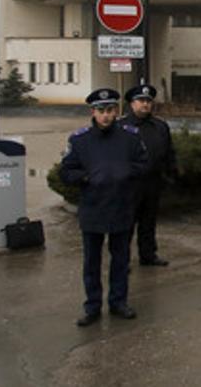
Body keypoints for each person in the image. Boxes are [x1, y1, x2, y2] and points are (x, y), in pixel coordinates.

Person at [59, 88, 149, 327]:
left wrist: (125, 173)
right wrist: (86, 178)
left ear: (116, 111)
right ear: (93, 112)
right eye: (101, 111)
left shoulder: (130, 137)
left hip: (121, 205)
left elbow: (143, 164)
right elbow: (66, 171)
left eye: (110, 110)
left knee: (120, 260)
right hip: (93, 208)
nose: (106, 116)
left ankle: (118, 302)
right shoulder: (79, 140)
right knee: (92, 262)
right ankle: (92, 306)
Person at [119, 84, 176, 267]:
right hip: (129, 184)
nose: (145, 105)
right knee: (126, 225)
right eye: (141, 101)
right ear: (132, 104)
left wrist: (170, 174)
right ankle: (122, 261)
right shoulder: (121, 127)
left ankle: (148, 255)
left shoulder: (160, 126)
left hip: (153, 182)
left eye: (148, 101)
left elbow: (169, 152)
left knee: (148, 222)